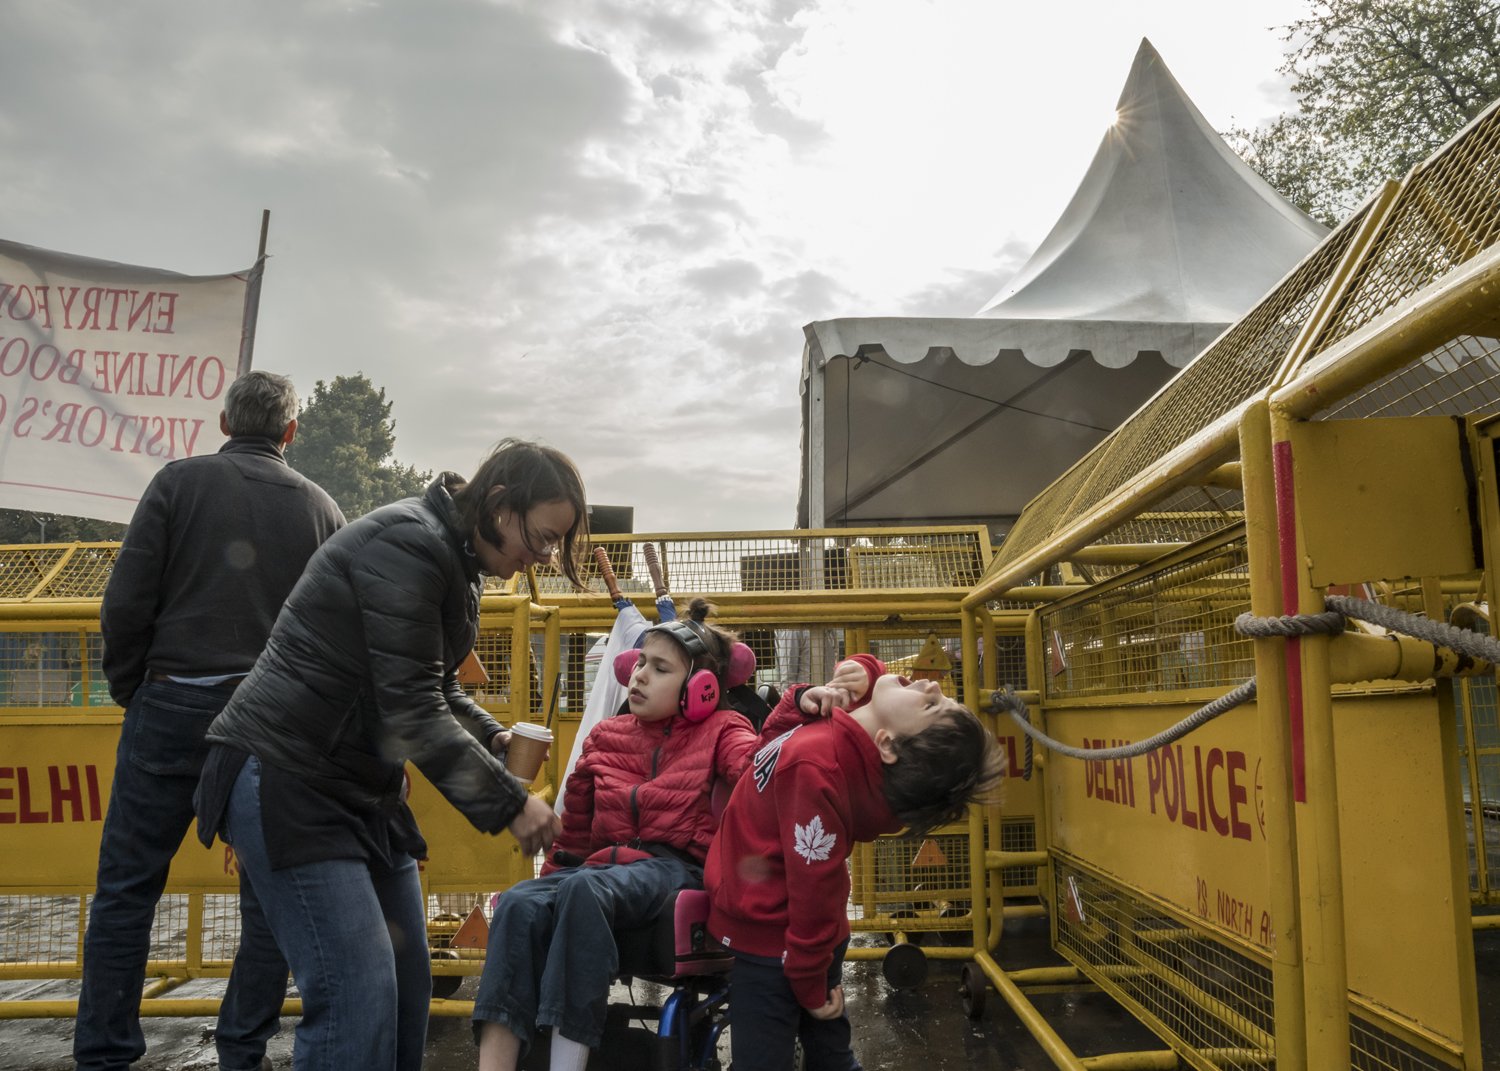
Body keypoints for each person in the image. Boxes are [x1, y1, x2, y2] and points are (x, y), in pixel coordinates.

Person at [193, 438, 587, 1071]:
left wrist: (492, 737)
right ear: (496, 502)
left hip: (355, 787)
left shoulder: (457, 558)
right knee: (357, 998)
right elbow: (409, 706)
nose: (537, 557)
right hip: (288, 775)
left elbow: (438, 685)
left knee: (406, 988)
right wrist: (509, 803)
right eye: (539, 538)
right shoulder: (408, 544)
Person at [76, 370, 345, 1071]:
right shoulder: (323, 510)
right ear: (291, 432)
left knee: (127, 890)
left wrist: (134, 687)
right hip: (271, 721)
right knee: (265, 902)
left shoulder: (175, 483)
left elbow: (125, 603)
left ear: (224, 421)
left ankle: (103, 1055)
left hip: (171, 702)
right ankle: (240, 1048)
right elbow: (336, 635)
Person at [474, 599, 760, 1071]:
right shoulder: (607, 735)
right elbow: (577, 839)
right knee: (521, 902)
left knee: (586, 888)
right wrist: (549, 881)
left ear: (701, 688)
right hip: (603, 866)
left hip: (673, 868)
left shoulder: (723, 728)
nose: (639, 675)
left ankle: (568, 1063)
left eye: (660, 668)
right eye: (640, 662)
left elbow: (759, 773)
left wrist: (791, 714)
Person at [705, 654, 1006, 1071]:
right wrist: (853, 678)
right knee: (829, 1050)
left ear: (886, 744)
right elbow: (764, 753)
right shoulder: (841, 738)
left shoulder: (817, 764)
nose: (934, 688)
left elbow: (814, 892)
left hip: (777, 944)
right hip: (805, 943)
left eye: (933, 706)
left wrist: (808, 984)